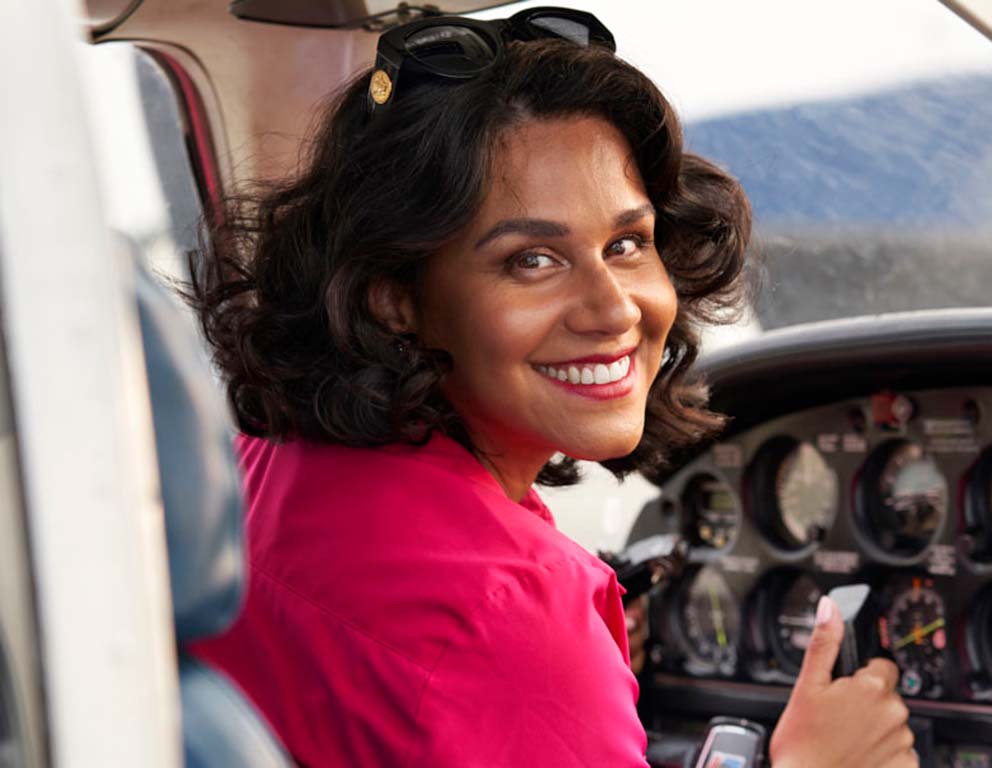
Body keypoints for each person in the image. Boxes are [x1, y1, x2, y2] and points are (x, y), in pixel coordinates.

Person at [189, 8, 916, 767]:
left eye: (627, 243)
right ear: (393, 295)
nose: (613, 309)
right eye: (532, 260)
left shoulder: (256, 468)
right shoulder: (505, 618)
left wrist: (573, 688)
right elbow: (479, 648)